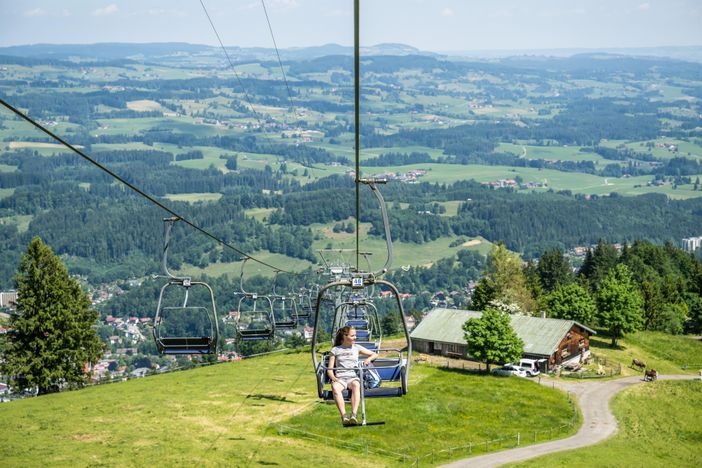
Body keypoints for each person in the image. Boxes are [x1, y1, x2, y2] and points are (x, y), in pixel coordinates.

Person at [327, 325, 378, 426]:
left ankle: (353, 415)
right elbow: (330, 369)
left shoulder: (356, 348)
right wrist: (333, 378)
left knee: (356, 385)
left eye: (355, 335)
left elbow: (374, 354)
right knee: (335, 387)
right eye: (353, 336)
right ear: (345, 336)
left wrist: (368, 359)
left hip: (352, 377)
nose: (355, 338)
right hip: (340, 377)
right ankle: (344, 416)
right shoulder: (335, 350)